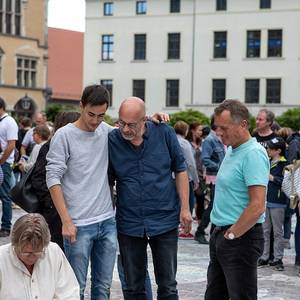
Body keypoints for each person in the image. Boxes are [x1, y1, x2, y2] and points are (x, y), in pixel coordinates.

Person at [108, 97, 192, 300]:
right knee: (134, 286)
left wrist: (185, 208)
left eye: (131, 125)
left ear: (144, 119)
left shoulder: (164, 133)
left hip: (164, 218)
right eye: (122, 123)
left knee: (168, 286)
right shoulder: (112, 139)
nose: (126, 129)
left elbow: (180, 169)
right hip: (129, 222)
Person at [46, 85, 117, 299]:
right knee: (76, 289)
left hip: (107, 222)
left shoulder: (107, 132)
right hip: (77, 225)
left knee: (103, 288)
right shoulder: (64, 135)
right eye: (91, 114)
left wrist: (153, 118)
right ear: (81, 106)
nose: (95, 121)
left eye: (101, 115)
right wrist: (66, 220)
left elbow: (132, 129)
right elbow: (53, 178)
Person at [205, 99, 269, 300]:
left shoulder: (253, 154)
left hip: (240, 238)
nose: (219, 133)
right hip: (222, 234)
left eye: (224, 128)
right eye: (217, 128)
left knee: (241, 296)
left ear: (243, 124)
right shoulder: (233, 149)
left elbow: (257, 205)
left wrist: (231, 236)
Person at [31, 112, 81, 250]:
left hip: (71, 210)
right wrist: (52, 203)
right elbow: (39, 179)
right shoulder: (48, 147)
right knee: (56, 250)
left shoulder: (74, 147)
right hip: (54, 214)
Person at [0, 213, 79, 299]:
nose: (32, 257)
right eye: (26, 253)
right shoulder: (2, 258)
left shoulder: (53, 252)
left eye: (37, 252)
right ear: (14, 245)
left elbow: (69, 293)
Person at [258, 137, 288, 271]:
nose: (268, 150)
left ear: (279, 151)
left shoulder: (285, 164)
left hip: (278, 202)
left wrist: (273, 178)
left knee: (277, 232)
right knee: (265, 230)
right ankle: (264, 257)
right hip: (265, 200)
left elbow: (287, 183)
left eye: (270, 148)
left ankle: (277, 258)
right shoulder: (268, 161)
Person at [194, 116, 225, 244]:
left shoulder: (219, 138)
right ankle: (200, 231)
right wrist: (221, 166)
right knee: (213, 206)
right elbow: (205, 159)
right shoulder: (210, 140)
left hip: (220, 177)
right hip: (214, 177)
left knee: (216, 205)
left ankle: (212, 233)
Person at [174, 120, 199, 238]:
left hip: (170, 177)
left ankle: (177, 226)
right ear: (186, 130)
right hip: (185, 177)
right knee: (187, 203)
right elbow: (190, 163)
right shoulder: (184, 143)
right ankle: (185, 228)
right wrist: (196, 179)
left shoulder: (171, 141)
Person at [0, 97, 18, 237]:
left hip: (4, 163)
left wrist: (2, 161)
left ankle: (6, 226)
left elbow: (11, 145)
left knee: (5, 195)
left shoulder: (9, 121)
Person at [186, 122, 206, 222]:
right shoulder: (187, 143)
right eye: (199, 130)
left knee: (201, 198)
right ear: (193, 130)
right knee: (189, 200)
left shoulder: (202, 142)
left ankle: (199, 222)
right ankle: (185, 223)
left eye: (202, 130)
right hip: (189, 175)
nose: (201, 132)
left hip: (200, 174)